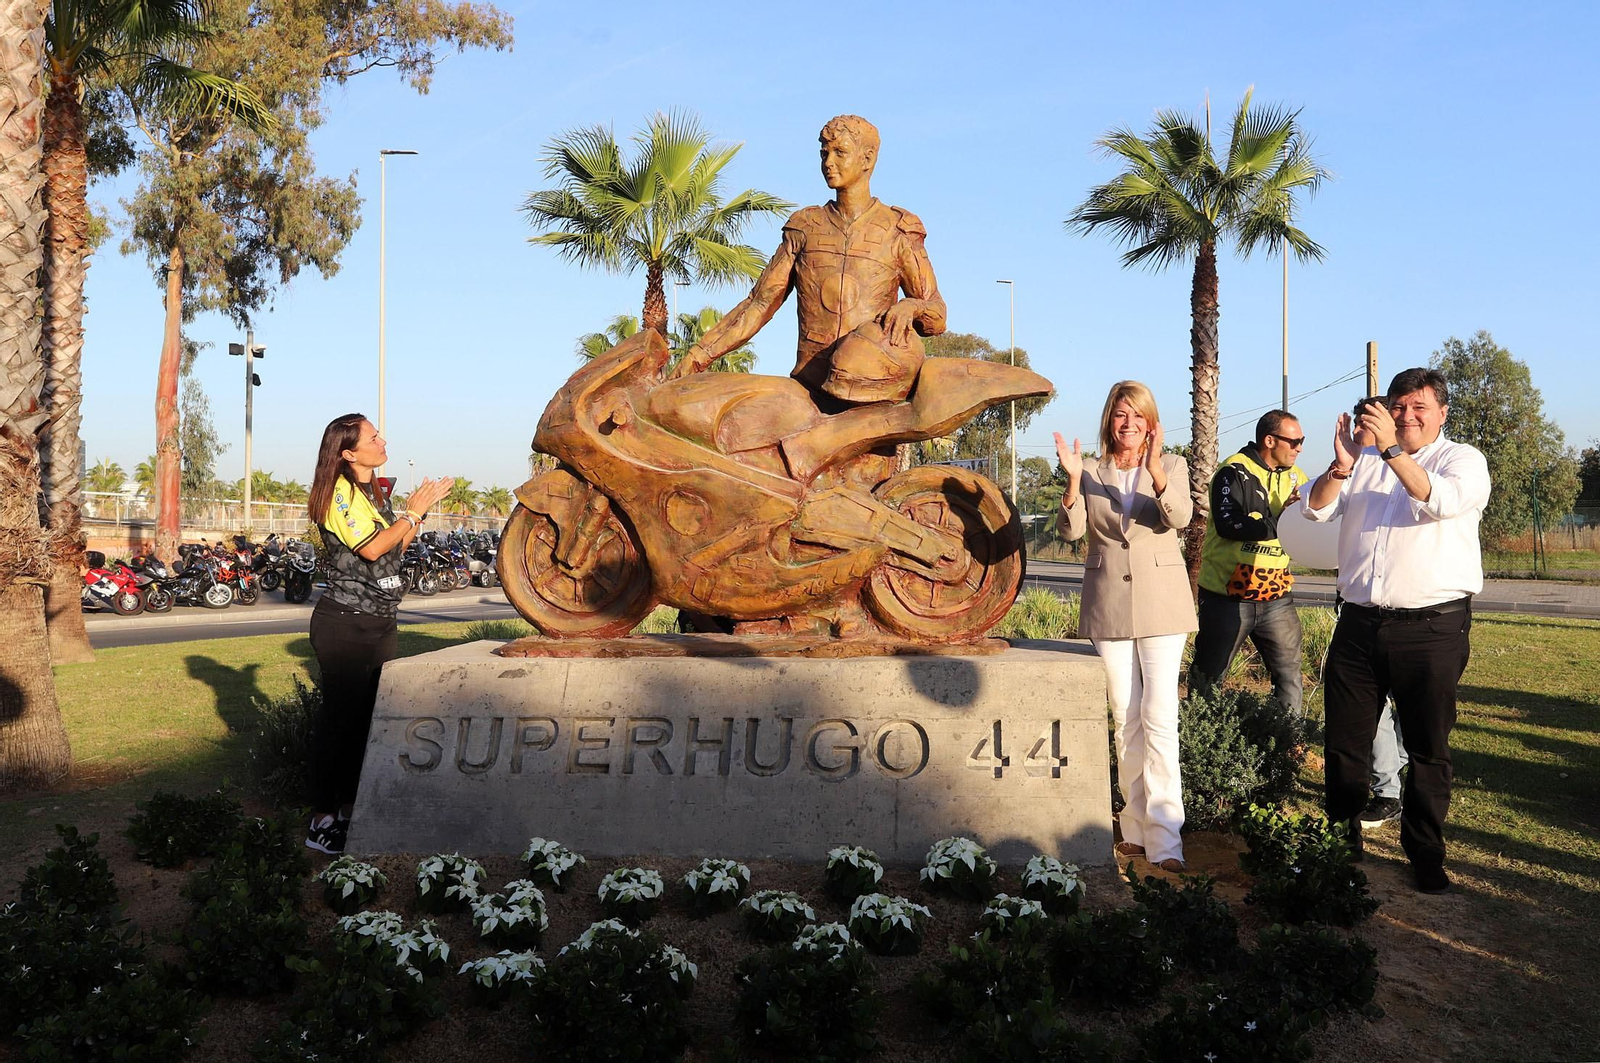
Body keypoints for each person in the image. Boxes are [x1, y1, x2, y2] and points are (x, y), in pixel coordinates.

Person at [1303, 367, 1490, 893]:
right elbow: (1314, 510)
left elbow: (1440, 502)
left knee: (1428, 746)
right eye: (1398, 407)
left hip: (1431, 629)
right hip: (1359, 624)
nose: (1407, 417)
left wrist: (1389, 452)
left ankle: (1424, 850)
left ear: (1441, 414)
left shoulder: (1463, 460)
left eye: (1418, 408)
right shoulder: (1362, 461)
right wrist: (1340, 469)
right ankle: (1342, 836)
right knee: (1345, 740)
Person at [673, 114, 946, 414]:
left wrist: (913, 306)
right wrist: (697, 356)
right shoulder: (805, 227)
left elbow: (936, 314)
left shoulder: (898, 230)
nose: (828, 162)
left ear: (867, 159)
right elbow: (758, 305)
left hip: (869, 404)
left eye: (840, 152)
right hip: (807, 396)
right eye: (824, 153)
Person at [1055, 381, 1196, 872]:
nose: (1129, 424)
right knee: (1124, 716)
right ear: (1109, 421)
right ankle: (1133, 827)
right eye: (1121, 415)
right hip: (1108, 604)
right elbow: (1070, 531)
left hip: (1163, 605)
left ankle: (1166, 838)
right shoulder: (1090, 470)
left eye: (1138, 416)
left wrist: (1156, 471)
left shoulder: (1173, 465)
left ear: (1152, 422)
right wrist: (1073, 482)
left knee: (1160, 717)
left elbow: (1181, 515)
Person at [303, 413, 452, 855]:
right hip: (345, 623)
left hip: (379, 622)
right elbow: (370, 547)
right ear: (349, 453)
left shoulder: (373, 492)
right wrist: (413, 510)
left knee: (366, 723)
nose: (382, 439)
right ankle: (321, 819)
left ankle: (349, 810)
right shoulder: (338, 493)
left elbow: (390, 551)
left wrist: (411, 521)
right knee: (339, 725)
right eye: (373, 436)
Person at [1189, 410, 1310, 716]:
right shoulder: (1233, 471)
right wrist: (1282, 518)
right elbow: (1231, 526)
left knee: (1289, 675)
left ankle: (1287, 743)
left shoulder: (1299, 477)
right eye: (1294, 441)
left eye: (1302, 441)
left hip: (1277, 596)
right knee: (1209, 677)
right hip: (1228, 598)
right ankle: (1200, 748)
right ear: (1270, 440)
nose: (1299, 448)